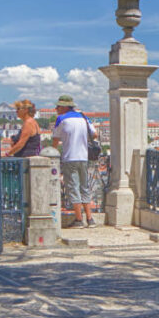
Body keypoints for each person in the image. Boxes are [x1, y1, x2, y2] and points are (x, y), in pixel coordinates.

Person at [52, 94, 97, 228]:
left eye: (58, 106)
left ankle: (78, 219)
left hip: (70, 157)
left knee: (73, 188)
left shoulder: (61, 119)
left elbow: (55, 139)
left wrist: (51, 154)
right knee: (84, 187)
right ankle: (90, 219)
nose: (56, 109)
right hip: (83, 157)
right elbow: (94, 134)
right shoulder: (83, 117)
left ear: (64, 107)